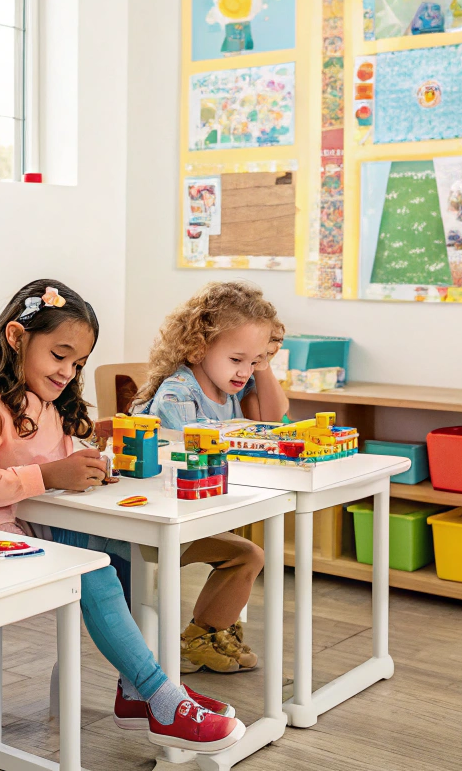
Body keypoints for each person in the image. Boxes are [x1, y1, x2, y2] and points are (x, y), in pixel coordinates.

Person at [0, 279, 243, 753]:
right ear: (17, 337)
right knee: (97, 572)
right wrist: (49, 475)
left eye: (78, 363)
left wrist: (91, 466)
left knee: (130, 554)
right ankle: (161, 697)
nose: (68, 372)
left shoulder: (50, 406)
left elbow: (60, 469)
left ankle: (135, 692)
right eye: (59, 355)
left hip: (44, 528)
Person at [130, 280, 286, 674]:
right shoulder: (177, 395)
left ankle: (205, 635)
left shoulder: (229, 388)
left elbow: (273, 418)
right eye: (237, 359)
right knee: (248, 554)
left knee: (249, 555)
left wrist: (263, 366)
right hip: (153, 523)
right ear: (198, 347)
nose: (245, 372)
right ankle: (195, 642)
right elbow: (197, 450)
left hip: (194, 513)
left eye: (255, 361)